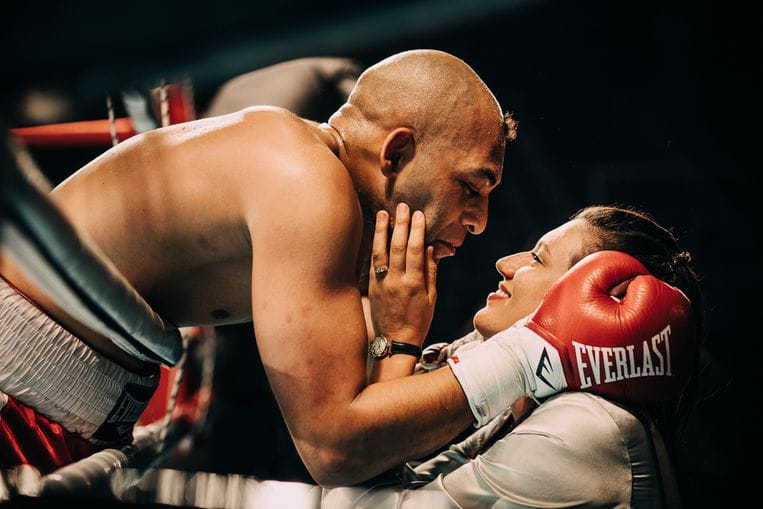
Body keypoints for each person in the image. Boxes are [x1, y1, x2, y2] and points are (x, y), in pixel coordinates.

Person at [0, 49, 515, 482]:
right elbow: (336, 449)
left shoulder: (323, 207)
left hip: (54, 402)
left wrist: (399, 336)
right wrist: (523, 360)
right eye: (470, 186)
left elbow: (373, 426)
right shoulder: (308, 184)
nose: (479, 222)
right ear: (397, 152)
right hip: (20, 388)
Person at [115, 204, 700, 508]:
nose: (507, 263)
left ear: (598, 302)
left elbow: (360, 491)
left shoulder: (587, 428)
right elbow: (386, 461)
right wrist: (390, 340)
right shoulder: (524, 404)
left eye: (538, 259)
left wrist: (399, 341)